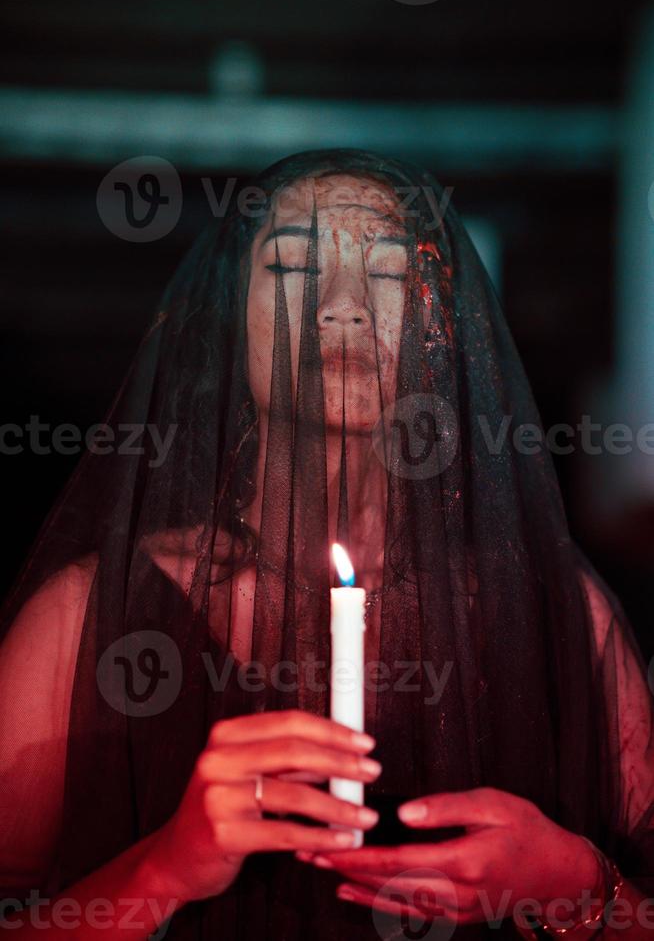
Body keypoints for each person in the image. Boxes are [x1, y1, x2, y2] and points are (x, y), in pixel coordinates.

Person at [0, 149, 652, 940]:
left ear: (438, 328)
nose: (340, 306)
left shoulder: (558, 620)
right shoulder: (86, 617)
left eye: (384, 273)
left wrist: (574, 882)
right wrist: (163, 868)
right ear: (230, 317)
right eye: (293, 264)